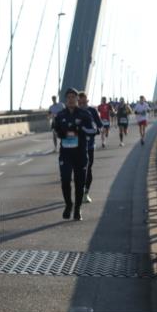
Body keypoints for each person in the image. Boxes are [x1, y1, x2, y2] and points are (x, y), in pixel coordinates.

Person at [53, 88, 97, 221]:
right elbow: (55, 129)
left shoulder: (84, 114)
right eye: (69, 97)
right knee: (65, 179)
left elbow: (94, 130)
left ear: (78, 99)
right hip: (66, 153)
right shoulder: (60, 115)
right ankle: (68, 205)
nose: (71, 99)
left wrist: (81, 129)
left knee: (79, 183)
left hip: (81, 153)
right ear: (66, 100)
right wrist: (60, 132)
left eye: (73, 97)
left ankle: (77, 209)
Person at [79, 91, 102, 204]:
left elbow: (99, 126)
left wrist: (94, 130)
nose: (82, 105)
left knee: (88, 169)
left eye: (84, 102)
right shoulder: (74, 112)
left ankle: (86, 193)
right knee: (78, 170)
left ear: (87, 101)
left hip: (90, 146)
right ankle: (80, 190)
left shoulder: (92, 111)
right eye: (80, 103)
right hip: (76, 146)